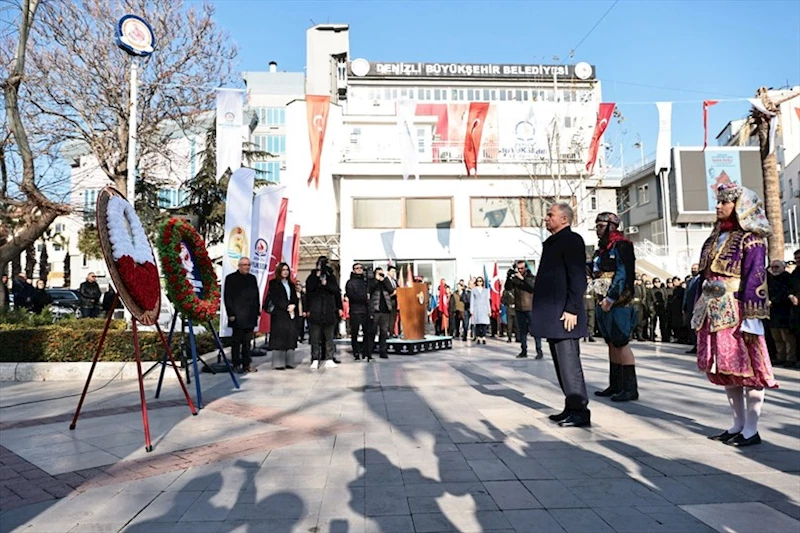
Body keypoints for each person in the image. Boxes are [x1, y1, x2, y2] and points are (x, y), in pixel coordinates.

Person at [694, 183, 777, 447]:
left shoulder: (751, 239)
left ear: (739, 206)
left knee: (750, 372)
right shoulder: (713, 237)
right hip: (714, 311)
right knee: (727, 371)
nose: (718, 206)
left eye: (724, 202)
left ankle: (751, 429)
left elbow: (755, 278)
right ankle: (738, 424)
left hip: (739, 311)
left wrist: (752, 318)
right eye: (718, 202)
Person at [531, 203, 590, 428]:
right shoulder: (553, 242)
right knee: (560, 364)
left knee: (569, 363)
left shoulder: (571, 240)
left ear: (564, 219)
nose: (546, 218)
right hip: (553, 313)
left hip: (565, 314)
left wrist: (572, 308)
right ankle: (571, 405)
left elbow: (578, 278)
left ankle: (580, 411)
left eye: (550, 215)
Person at [590, 212, 639, 402]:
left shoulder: (622, 245)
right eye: (597, 226)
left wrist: (611, 298)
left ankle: (630, 388)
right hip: (603, 299)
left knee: (621, 342)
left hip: (619, 301)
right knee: (611, 342)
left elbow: (623, 273)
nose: (597, 230)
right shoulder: (601, 249)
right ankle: (616, 384)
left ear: (612, 226)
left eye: (601, 226)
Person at [306, 256, 343, 369]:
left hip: (329, 310)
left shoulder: (331, 277)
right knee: (315, 338)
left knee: (329, 337)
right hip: (315, 311)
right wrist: (306, 309)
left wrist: (339, 308)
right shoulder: (312, 277)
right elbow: (308, 292)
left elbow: (336, 292)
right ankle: (315, 358)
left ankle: (329, 358)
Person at [223, 257, 260, 374]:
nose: (247, 267)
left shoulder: (252, 278)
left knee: (247, 342)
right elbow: (227, 297)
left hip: (250, 316)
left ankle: (246, 364)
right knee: (236, 342)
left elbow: (256, 296)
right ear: (239, 266)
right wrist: (231, 313)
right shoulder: (231, 278)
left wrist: (257, 312)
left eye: (248, 265)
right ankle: (236, 364)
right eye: (244, 265)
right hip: (237, 316)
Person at [505, 260, 542, 358]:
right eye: (518, 268)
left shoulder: (531, 277)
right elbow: (507, 288)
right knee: (522, 331)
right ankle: (524, 350)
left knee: (535, 330)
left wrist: (522, 278)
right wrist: (508, 277)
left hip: (530, 307)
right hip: (519, 307)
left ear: (525, 268)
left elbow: (532, 287)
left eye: (522, 268)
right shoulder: (515, 279)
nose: (520, 270)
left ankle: (539, 350)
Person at [266, 262, 299, 370]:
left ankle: (289, 361)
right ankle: (278, 363)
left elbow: (294, 297)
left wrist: (293, 305)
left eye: (287, 270)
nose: (285, 272)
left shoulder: (291, 284)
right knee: (279, 337)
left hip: (290, 313)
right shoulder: (273, 283)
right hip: (279, 314)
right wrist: (286, 307)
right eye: (283, 269)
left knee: (290, 336)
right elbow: (276, 299)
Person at [767, 259, 796, 367]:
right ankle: (780, 357)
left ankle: (790, 358)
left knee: (787, 337)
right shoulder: (770, 279)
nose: (774, 269)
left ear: (783, 267)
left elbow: (787, 292)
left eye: (777, 267)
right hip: (773, 312)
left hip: (785, 311)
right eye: (772, 267)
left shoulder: (787, 278)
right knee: (777, 337)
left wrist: (774, 300)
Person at [345, 263, 371, 361]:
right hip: (355, 310)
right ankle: (356, 352)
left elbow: (369, 295)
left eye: (361, 268)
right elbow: (351, 296)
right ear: (353, 270)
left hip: (365, 310)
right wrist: (364, 297)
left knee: (366, 332)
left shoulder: (365, 281)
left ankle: (365, 352)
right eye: (357, 268)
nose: (360, 269)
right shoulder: (350, 282)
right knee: (354, 333)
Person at [368, 266, 395, 359]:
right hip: (375, 310)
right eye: (379, 273)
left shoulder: (385, 282)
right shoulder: (372, 281)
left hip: (385, 310)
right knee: (373, 331)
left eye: (381, 273)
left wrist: (383, 280)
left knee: (384, 332)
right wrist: (376, 280)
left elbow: (391, 289)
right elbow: (370, 289)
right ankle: (369, 351)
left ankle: (383, 351)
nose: (381, 275)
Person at [469, 276, 491, 344]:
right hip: (477, 308)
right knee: (478, 324)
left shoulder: (486, 290)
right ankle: (478, 337)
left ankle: (483, 337)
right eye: (478, 281)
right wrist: (471, 309)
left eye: (480, 281)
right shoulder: (474, 290)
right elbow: (472, 300)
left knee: (484, 324)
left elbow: (487, 301)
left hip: (484, 308)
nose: (479, 282)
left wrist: (489, 310)